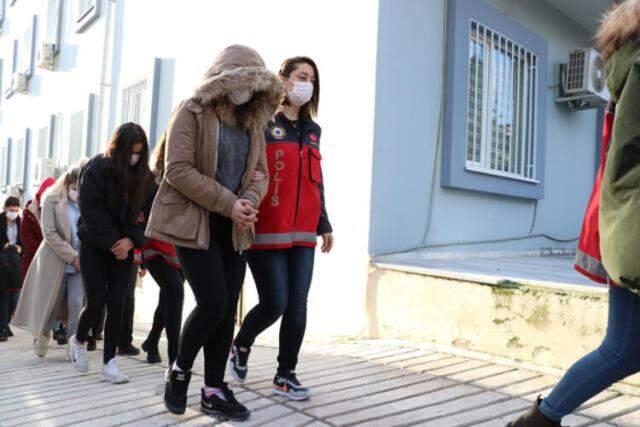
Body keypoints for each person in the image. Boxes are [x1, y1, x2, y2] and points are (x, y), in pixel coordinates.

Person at [509, 2, 640, 425]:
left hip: (625, 218)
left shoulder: (629, 58)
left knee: (623, 349)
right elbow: (631, 151)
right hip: (632, 222)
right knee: (622, 349)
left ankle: (539, 420)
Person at [146, 44, 282, 420]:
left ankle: (213, 389)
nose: (246, 90)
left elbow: (261, 173)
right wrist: (230, 203)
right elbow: (178, 169)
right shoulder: (192, 110)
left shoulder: (253, 121)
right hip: (196, 223)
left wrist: (249, 200)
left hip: (234, 227)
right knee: (213, 303)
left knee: (226, 314)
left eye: (254, 84)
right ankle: (179, 371)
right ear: (222, 80)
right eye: (240, 81)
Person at [228, 56, 333, 401]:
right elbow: (246, 169)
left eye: (312, 80)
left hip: (303, 231)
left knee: (298, 306)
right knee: (275, 302)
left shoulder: (313, 131)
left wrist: (324, 223)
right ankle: (241, 344)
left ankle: (285, 374)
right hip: (267, 226)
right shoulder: (262, 122)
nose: (307, 84)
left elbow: (316, 181)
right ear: (283, 79)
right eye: (302, 76)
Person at [68, 123, 155, 384]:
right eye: (131, 152)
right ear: (119, 149)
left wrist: (131, 241)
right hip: (94, 246)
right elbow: (91, 211)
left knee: (118, 302)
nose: (134, 158)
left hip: (125, 249)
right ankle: (79, 339)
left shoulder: (145, 177)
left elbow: (149, 214)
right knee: (96, 302)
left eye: (139, 153)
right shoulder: (96, 169)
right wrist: (114, 241)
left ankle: (109, 363)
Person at [12, 162, 86, 358]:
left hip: (80, 262)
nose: (77, 191)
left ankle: (73, 343)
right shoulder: (51, 199)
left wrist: (81, 257)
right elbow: (50, 233)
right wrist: (73, 257)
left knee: (76, 302)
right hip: (56, 260)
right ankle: (43, 333)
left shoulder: (89, 202)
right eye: (74, 187)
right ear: (67, 183)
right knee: (52, 303)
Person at [140, 135, 185, 368]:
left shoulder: (189, 174)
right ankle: (174, 356)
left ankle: (152, 340)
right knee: (175, 291)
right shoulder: (150, 179)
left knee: (169, 296)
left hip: (181, 245)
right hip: (154, 244)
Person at [19, 178, 68, 345]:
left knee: (58, 297)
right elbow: (27, 238)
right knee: (40, 298)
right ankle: (39, 332)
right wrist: (45, 252)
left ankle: (58, 328)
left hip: (58, 260)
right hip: (38, 262)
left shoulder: (60, 207)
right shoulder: (29, 212)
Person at [0, 196, 23, 341]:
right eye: (10, 210)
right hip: (2, 261)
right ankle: (2, 326)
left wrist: (21, 248)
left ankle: (6, 324)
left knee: (14, 297)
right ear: (4, 209)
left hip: (15, 261)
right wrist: (4, 245)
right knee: (3, 295)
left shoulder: (20, 222)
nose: (13, 213)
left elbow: (24, 240)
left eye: (15, 210)